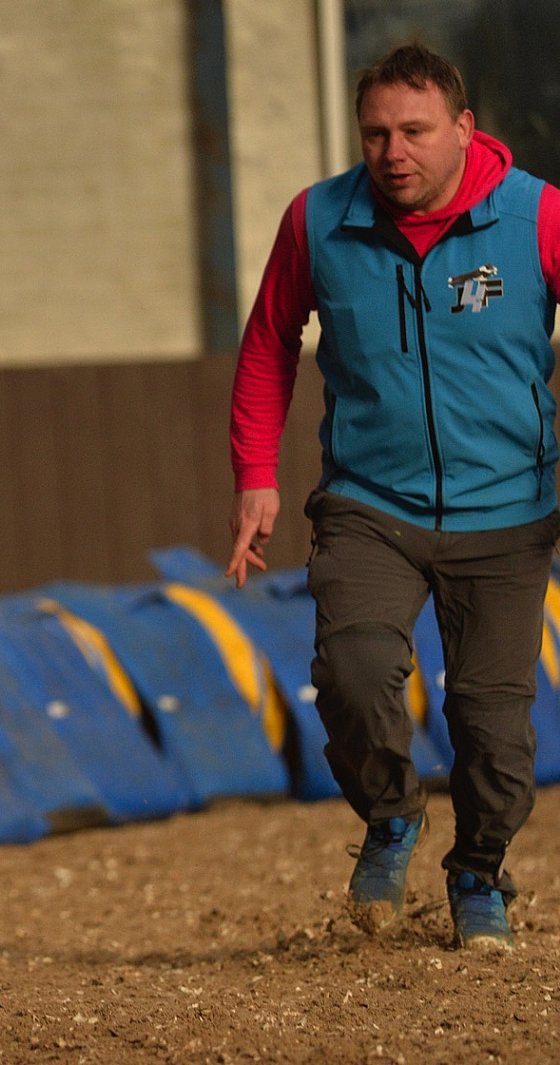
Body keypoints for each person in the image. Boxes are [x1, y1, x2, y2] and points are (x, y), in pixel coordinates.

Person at [225, 42, 560, 951]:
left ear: (464, 129)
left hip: (509, 513)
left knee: (494, 729)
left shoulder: (536, 215)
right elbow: (268, 343)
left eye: (415, 130)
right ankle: (391, 816)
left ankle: (479, 872)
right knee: (353, 671)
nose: (393, 152)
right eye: (375, 133)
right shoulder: (318, 220)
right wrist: (256, 473)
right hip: (370, 502)